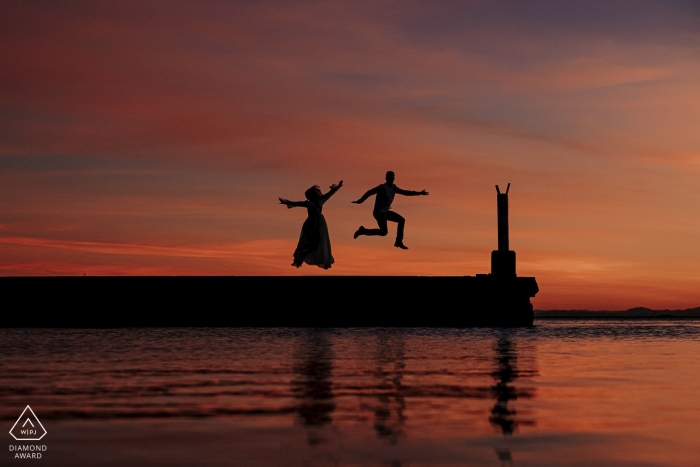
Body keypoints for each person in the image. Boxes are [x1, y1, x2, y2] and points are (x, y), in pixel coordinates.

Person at [352, 171, 428, 249]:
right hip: (379, 213)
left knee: (401, 220)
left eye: (392, 176)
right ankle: (363, 231)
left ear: (394, 178)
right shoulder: (382, 187)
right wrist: (360, 201)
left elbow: (405, 192)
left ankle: (399, 241)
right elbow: (369, 192)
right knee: (384, 232)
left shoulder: (394, 188)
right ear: (386, 178)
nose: (391, 178)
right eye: (389, 176)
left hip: (386, 212)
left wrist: (419, 193)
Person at [279, 181, 343, 269]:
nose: (307, 198)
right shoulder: (312, 202)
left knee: (318, 241)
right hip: (313, 223)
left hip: (317, 223)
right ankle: (304, 258)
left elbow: (330, 194)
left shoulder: (317, 201)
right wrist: (286, 202)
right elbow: (297, 203)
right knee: (309, 240)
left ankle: (319, 259)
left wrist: (338, 187)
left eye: (308, 196)